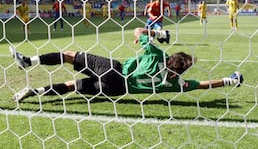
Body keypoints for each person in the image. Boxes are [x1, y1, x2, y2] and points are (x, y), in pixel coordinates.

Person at [10, 28, 243, 102]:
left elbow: (137, 31)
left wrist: (157, 33)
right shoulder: (175, 84)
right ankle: (33, 92)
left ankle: (27, 62)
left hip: (115, 70)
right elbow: (202, 85)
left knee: (71, 55)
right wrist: (228, 80)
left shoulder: (155, 54)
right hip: (117, 91)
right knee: (72, 86)